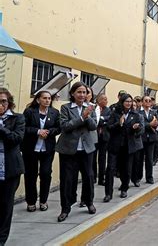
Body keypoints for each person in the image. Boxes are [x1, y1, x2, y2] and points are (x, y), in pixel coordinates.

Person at [55, 82, 98, 222]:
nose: (82, 95)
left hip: (86, 149)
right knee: (67, 179)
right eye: (79, 92)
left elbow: (93, 126)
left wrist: (87, 115)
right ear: (73, 93)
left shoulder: (90, 107)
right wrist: (81, 118)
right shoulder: (65, 108)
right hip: (69, 149)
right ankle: (65, 208)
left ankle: (89, 202)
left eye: (84, 92)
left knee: (88, 177)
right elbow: (65, 126)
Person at [22, 90, 60, 212]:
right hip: (31, 149)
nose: (47, 100)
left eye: (49, 98)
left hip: (47, 149)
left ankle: (43, 200)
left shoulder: (55, 112)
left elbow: (58, 128)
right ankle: (31, 201)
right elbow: (23, 127)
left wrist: (48, 132)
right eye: (44, 98)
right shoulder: (29, 112)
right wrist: (38, 131)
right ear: (38, 100)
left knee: (45, 173)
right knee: (31, 175)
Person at [104, 94, 143, 202]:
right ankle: (108, 193)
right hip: (115, 146)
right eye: (126, 101)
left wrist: (136, 128)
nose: (129, 103)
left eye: (130, 101)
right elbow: (109, 128)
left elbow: (140, 130)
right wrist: (118, 124)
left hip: (128, 146)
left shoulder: (135, 115)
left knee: (126, 169)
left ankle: (124, 188)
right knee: (110, 169)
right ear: (122, 102)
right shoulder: (115, 113)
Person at [0, 88, 25, 245]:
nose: (1, 104)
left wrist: (1, 128)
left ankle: (1, 240)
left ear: (9, 103)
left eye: (3, 101)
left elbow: (16, 138)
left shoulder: (17, 118)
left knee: (5, 206)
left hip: (10, 169)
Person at [138, 96, 158, 184]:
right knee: (139, 159)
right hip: (141, 138)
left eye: (149, 101)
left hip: (151, 138)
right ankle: (138, 177)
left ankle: (149, 177)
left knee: (149, 159)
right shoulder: (138, 112)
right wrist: (149, 124)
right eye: (145, 100)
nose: (147, 102)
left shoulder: (154, 112)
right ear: (142, 102)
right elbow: (140, 124)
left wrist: (156, 124)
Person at [95, 93, 111, 185]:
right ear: (99, 100)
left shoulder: (108, 110)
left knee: (102, 158)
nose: (106, 101)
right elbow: (95, 121)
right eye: (104, 99)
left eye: (106, 99)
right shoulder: (94, 108)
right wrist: (102, 120)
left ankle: (102, 178)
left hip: (104, 137)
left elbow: (109, 119)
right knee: (93, 158)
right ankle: (93, 177)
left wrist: (101, 119)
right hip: (95, 137)